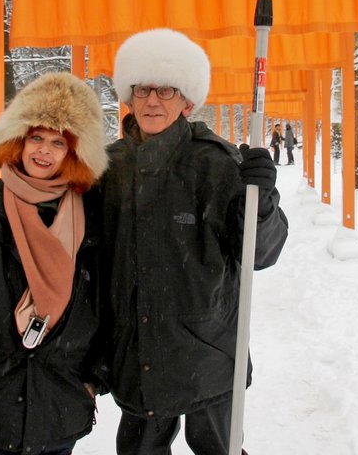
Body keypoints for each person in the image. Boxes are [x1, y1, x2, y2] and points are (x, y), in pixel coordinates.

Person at [101, 28, 289, 455]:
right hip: (139, 347)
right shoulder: (107, 167)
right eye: (143, 89)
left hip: (209, 346)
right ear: (128, 97)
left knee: (217, 449)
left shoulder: (217, 163)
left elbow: (261, 251)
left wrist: (261, 200)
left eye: (166, 91)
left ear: (187, 102)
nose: (152, 100)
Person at [0, 72, 110, 455]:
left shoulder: (93, 217)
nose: (43, 151)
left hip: (61, 405)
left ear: (75, 151)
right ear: (19, 139)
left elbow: (110, 305)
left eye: (58, 142)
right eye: (36, 137)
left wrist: (93, 378)